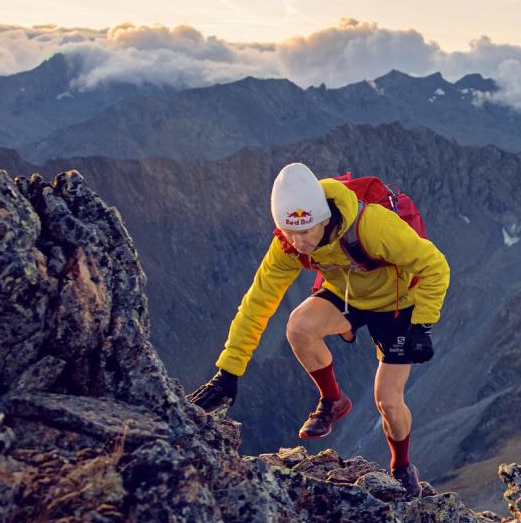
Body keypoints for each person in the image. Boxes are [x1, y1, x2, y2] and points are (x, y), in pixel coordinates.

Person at [189, 162, 450, 497]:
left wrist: (422, 325)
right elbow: (257, 302)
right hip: (346, 295)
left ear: (325, 219)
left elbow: (434, 265)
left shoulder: (372, 225)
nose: (298, 242)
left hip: (395, 303)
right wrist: (228, 372)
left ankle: (401, 466)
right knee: (299, 327)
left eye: (306, 231)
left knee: (388, 401)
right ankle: (333, 400)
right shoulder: (287, 245)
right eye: (288, 232)